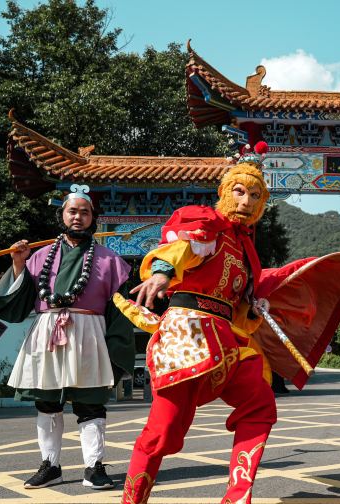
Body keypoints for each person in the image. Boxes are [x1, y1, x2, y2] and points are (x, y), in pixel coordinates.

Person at [117, 142, 281, 504]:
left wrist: (254, 309)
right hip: (187, 334)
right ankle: (132, 500)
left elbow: (238, 312)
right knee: (164, 432)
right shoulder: (209, 229)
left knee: (261, 405)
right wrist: (161, 272)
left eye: (256, 195)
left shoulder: (246, 253)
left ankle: (238, 498)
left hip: (227, 340)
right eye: (239, 192)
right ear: (225, 193)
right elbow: (182, 251)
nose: (247, 202)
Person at [0, 186, 133, 490]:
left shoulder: (109, 260)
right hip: (47, 331)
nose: (78, 217)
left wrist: (117, 349)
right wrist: (18, 263)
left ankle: (93, 468)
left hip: (90, 333)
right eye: (72, 211)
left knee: (91, 403)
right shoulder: (38, 256)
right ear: (62, 215)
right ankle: (50, 465)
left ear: (93, 218)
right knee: (47, 402)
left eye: (84, 212)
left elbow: (120, 309)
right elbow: (19, 301)